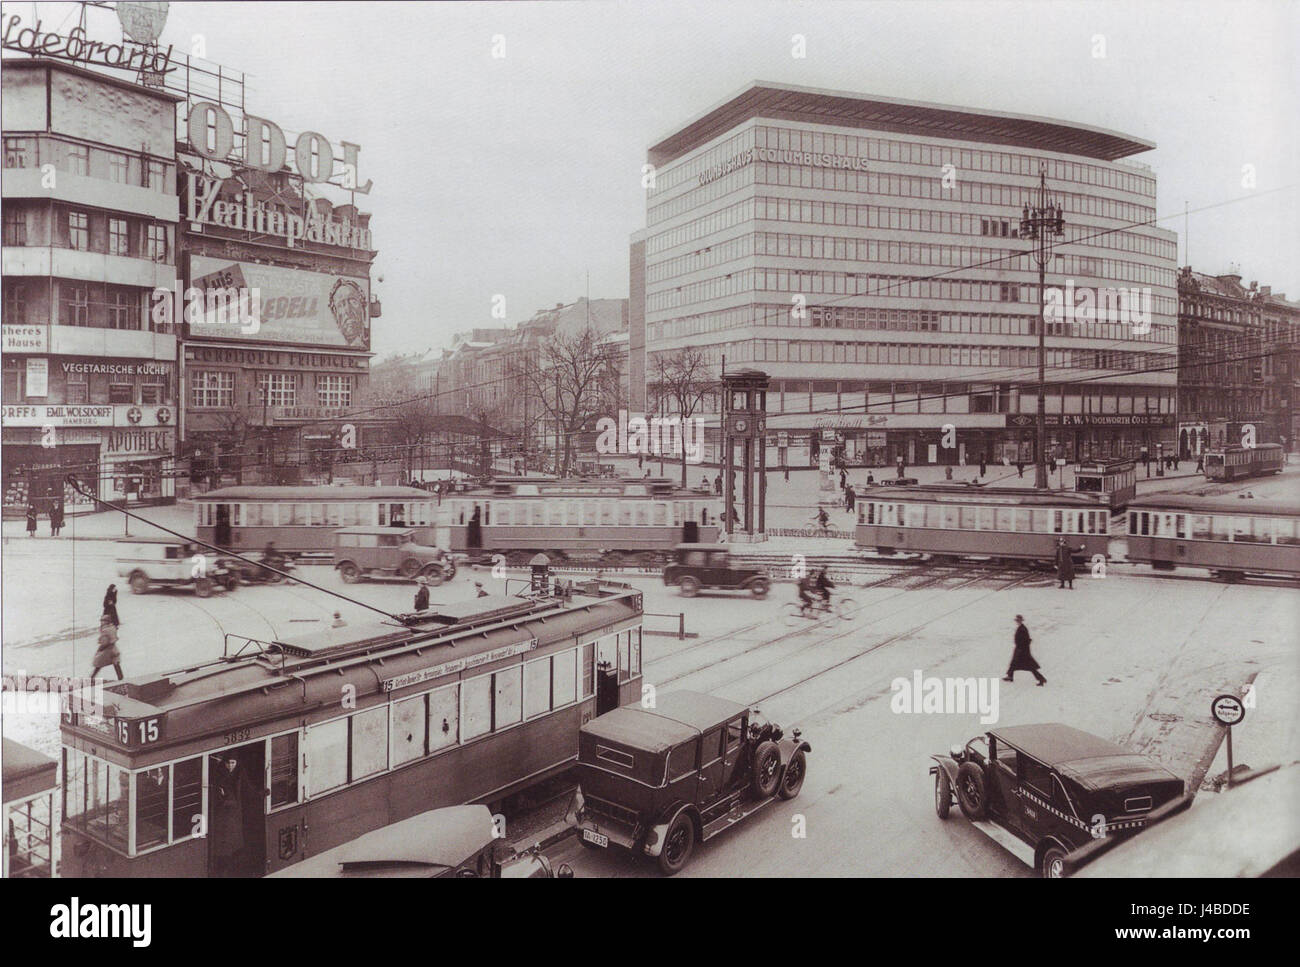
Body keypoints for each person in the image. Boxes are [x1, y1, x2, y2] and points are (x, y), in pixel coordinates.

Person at [210, 754, 255, 877]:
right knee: (223, 844)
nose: (230, 766)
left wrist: (260, 794)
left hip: (235, 814)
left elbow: (248, 789)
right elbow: (216, 796)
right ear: (224, 763)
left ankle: (231, 870)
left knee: (233, 844)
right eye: (228, 763)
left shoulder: (240, 774)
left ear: (237, 763)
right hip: (222, 815)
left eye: (233, 763)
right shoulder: (218, 776)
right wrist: (224, 798)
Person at [1004, 615, 1045, 685]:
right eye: (1017, 620)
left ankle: (1041, 679)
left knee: (1030, 666)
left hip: (1022, 651)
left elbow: (1026, 640)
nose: (1017, 621)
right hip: (1020, 649)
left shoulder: (1023, 629)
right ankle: (1010, 676)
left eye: (1018, 620)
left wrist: (1021, 649)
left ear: (1021, 621)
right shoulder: (1021, 628)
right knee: (1014, 663)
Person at [90, 614, 123, 681]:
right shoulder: (112, 627)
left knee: (98, 663)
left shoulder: (105, 629)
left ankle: (91, 678)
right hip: (114, 648)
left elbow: (104, 641)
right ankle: (120, 677)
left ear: (106, 621)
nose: (101, 622)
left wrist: (100, 648)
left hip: (107, 649)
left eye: (103, 621)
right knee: (116, 663)